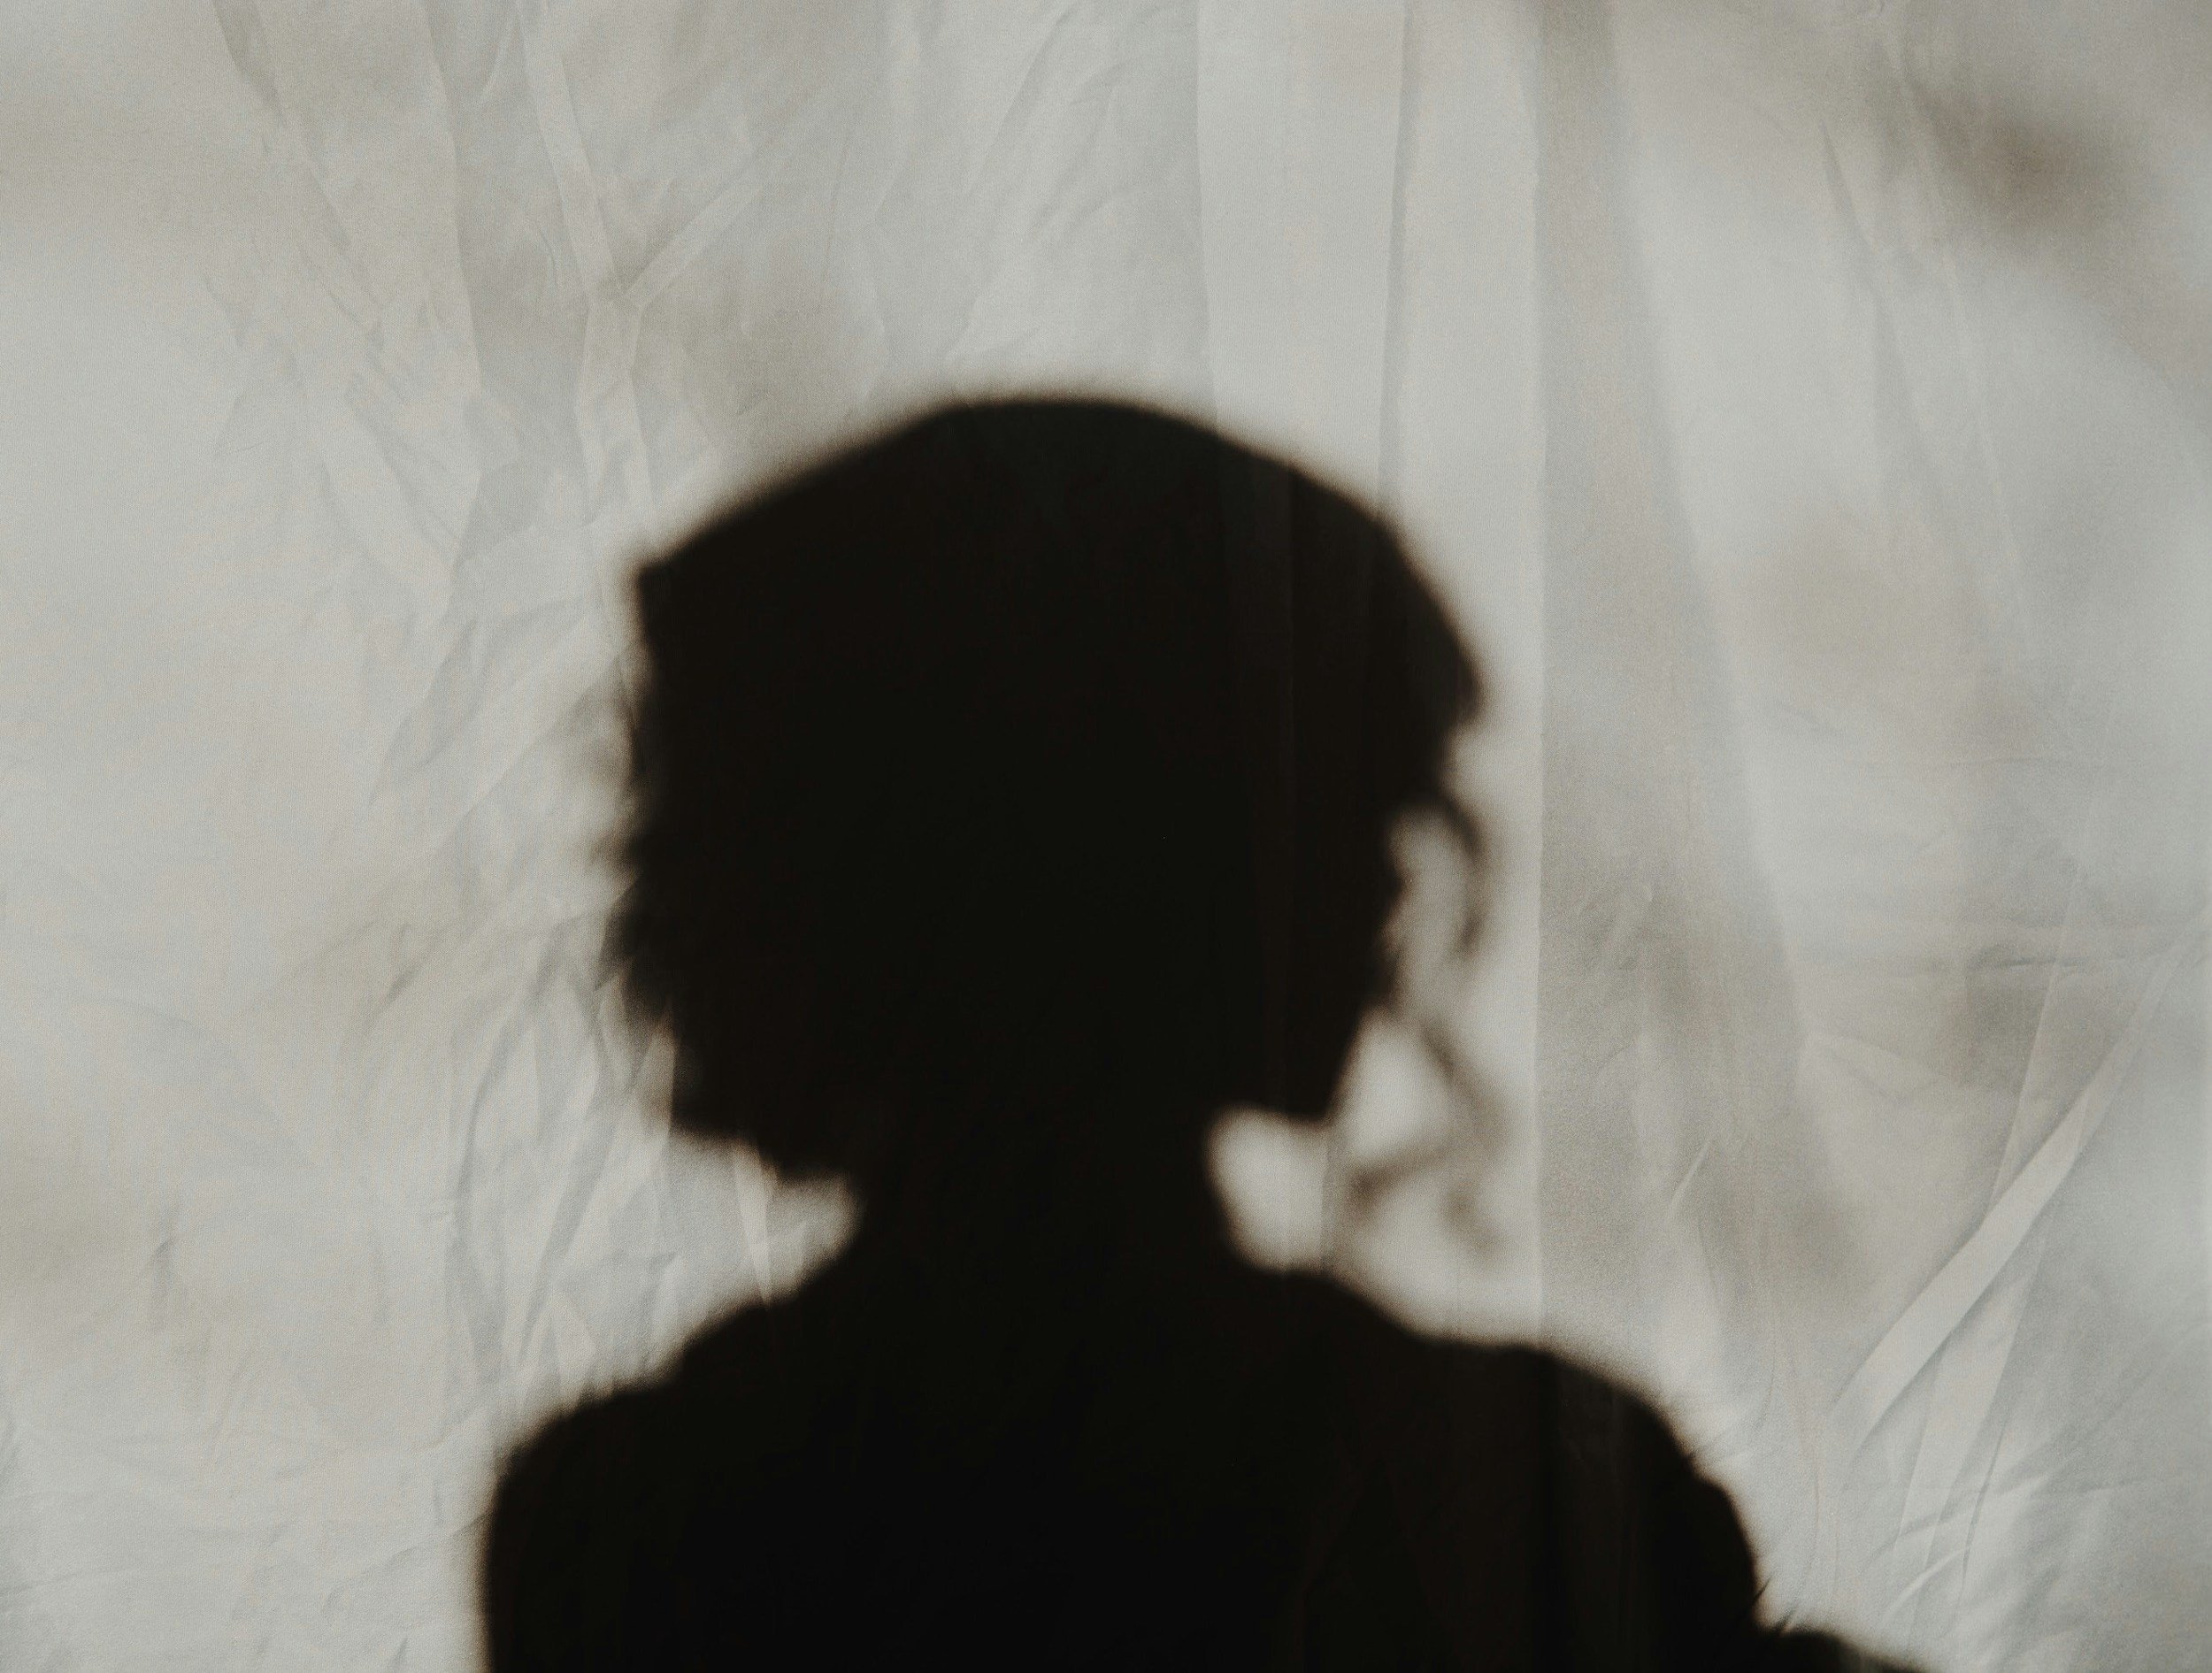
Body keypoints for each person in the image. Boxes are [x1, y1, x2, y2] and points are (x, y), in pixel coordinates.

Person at [483, 399, 1908, 1669]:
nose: (1391, 887)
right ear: (1123, 856)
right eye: (1338, 800)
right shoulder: (1513, 1490)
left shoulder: (630, 1522)